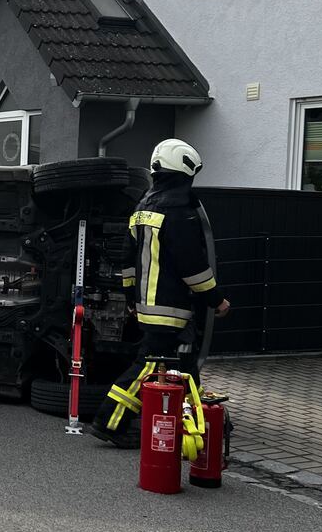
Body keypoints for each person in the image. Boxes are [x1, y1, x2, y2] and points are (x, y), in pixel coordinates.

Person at [89, 139, 231, 449]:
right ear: (185, 170)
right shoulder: (180, 209)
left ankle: (203, 427)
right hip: (170, 307)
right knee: (148, 366)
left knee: (184, 366)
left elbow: (127, 260)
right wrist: (215, 299)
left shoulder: (142, 206)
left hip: (145, 304)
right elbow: (192, 266)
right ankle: (109, 421)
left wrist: (130, 299)